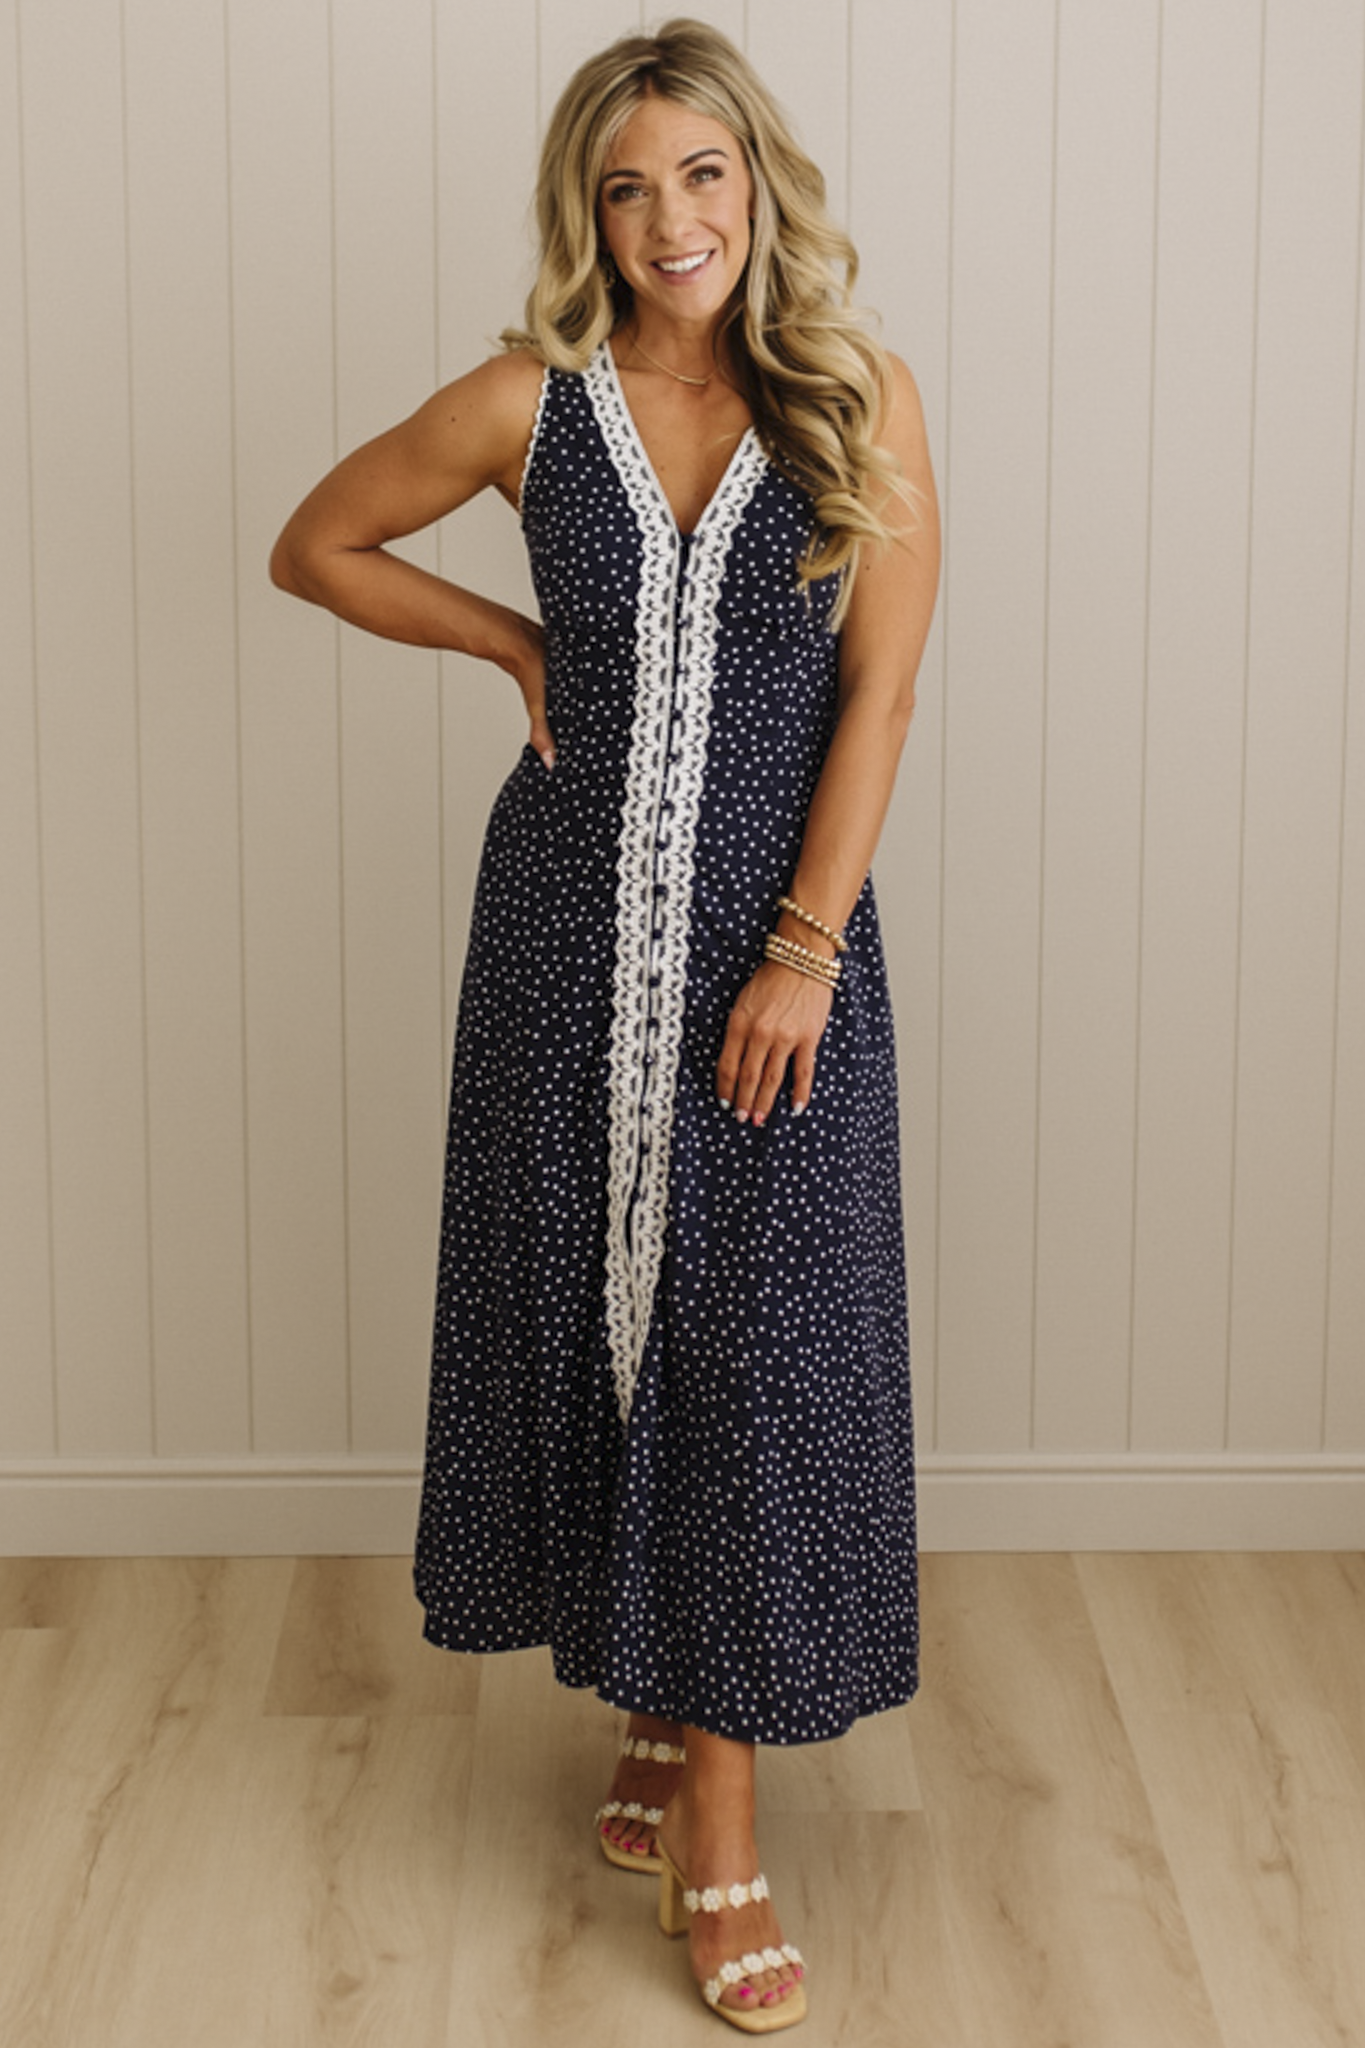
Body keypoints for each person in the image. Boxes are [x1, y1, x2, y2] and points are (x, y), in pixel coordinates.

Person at [271, 17, 938, 2034]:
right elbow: (315, 543)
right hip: (560, 938)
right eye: (627, 186)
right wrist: (509, 637)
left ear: (759, 183)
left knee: (745, 1352)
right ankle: (654, 1700)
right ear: (589, 211)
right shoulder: (528, 402)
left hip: (773, 948)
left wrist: (804, 942)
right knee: (595, 1309)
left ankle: (719, 1812)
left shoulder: (856, 396)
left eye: (701, 175)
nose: (670, 220)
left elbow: (881, 694)